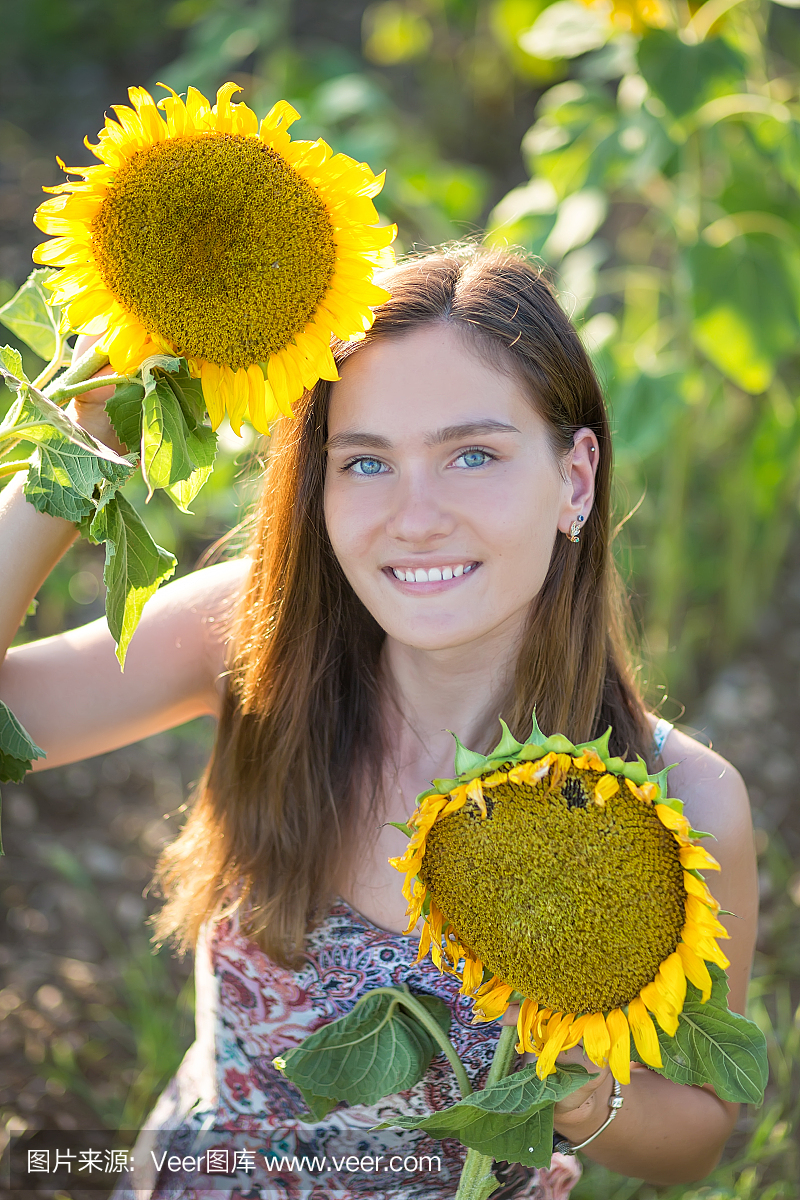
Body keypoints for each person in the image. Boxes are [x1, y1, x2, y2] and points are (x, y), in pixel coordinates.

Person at [0, 246, 758, 1199]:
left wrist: (584, 1094)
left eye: (471, 455)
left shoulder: (674, 803)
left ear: (575, 478)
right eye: (366, 462)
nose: (415, 517)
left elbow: (694, 1138)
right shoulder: (257, 638)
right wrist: (83, 449)